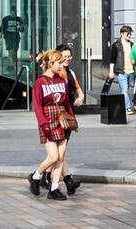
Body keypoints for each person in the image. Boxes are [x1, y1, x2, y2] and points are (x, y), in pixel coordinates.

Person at [29, 50, 78, 199]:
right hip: (48, 120)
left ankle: (54, 188)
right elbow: (37, 106)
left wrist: (73, 121)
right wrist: (43, 124)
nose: (62, 65)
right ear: (50, 64)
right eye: (59, 63)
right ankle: (36, 176)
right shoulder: (40, 83)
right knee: (52, 156)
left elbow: (66, 103)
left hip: (61, 120)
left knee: (61, 157)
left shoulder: (61, 81)